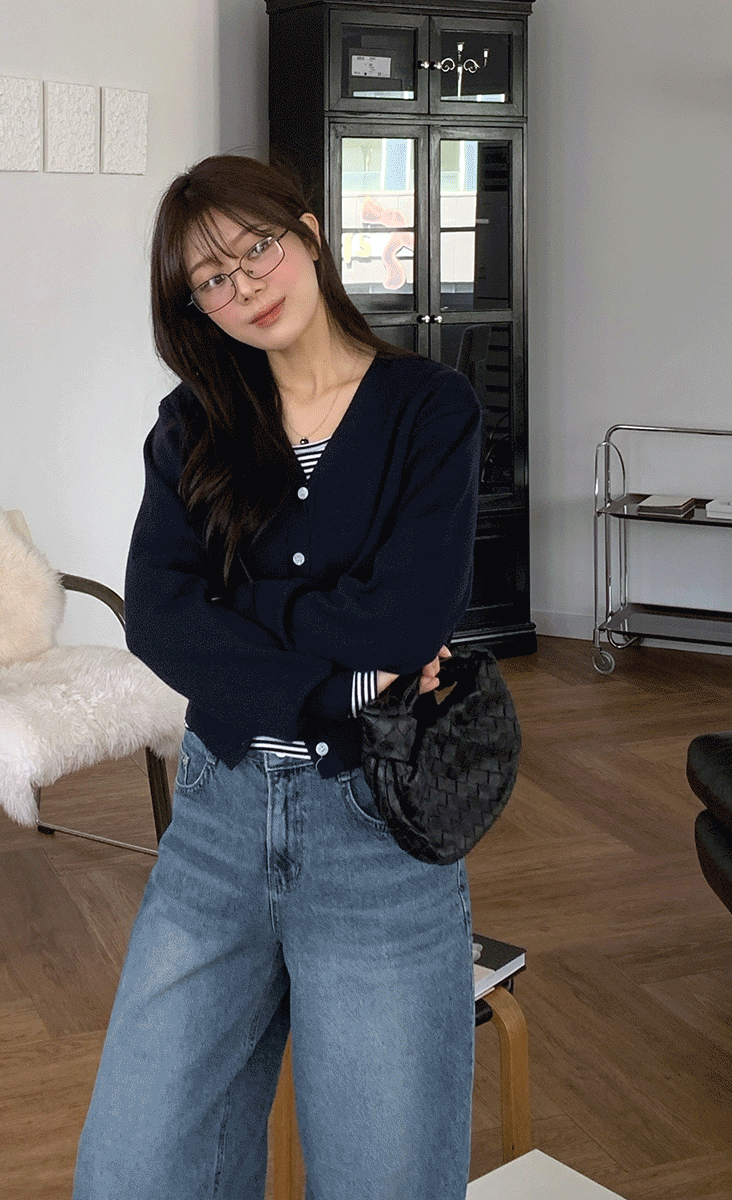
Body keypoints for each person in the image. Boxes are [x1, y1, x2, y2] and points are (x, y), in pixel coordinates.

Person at [73, 154, 483, 1200]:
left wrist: (242, 603)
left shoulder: (428, 408)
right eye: (211, 280)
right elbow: (157, 618)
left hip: (374, 833)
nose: (244, 285)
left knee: (383, 1179)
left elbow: (407, 619)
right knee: (132, 1173)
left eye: (256, 249)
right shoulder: (194, 423)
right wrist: (332, 675)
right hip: (215, 826)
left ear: (308, 234)